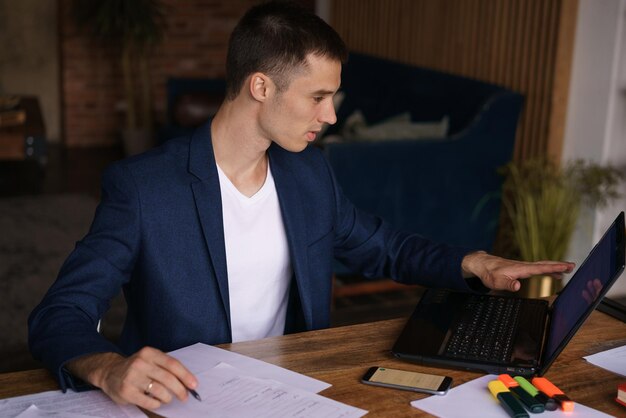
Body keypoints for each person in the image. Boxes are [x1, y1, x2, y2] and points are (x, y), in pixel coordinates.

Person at [28, 0, 574, 411]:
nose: (332, 115)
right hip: (185, 401)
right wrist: (107, 367)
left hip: (295, 393)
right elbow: (59, 314)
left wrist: (475, 263)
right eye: (318, 96)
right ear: (261, 86)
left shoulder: (307, 172)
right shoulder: (144, 187)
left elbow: (383, 246)